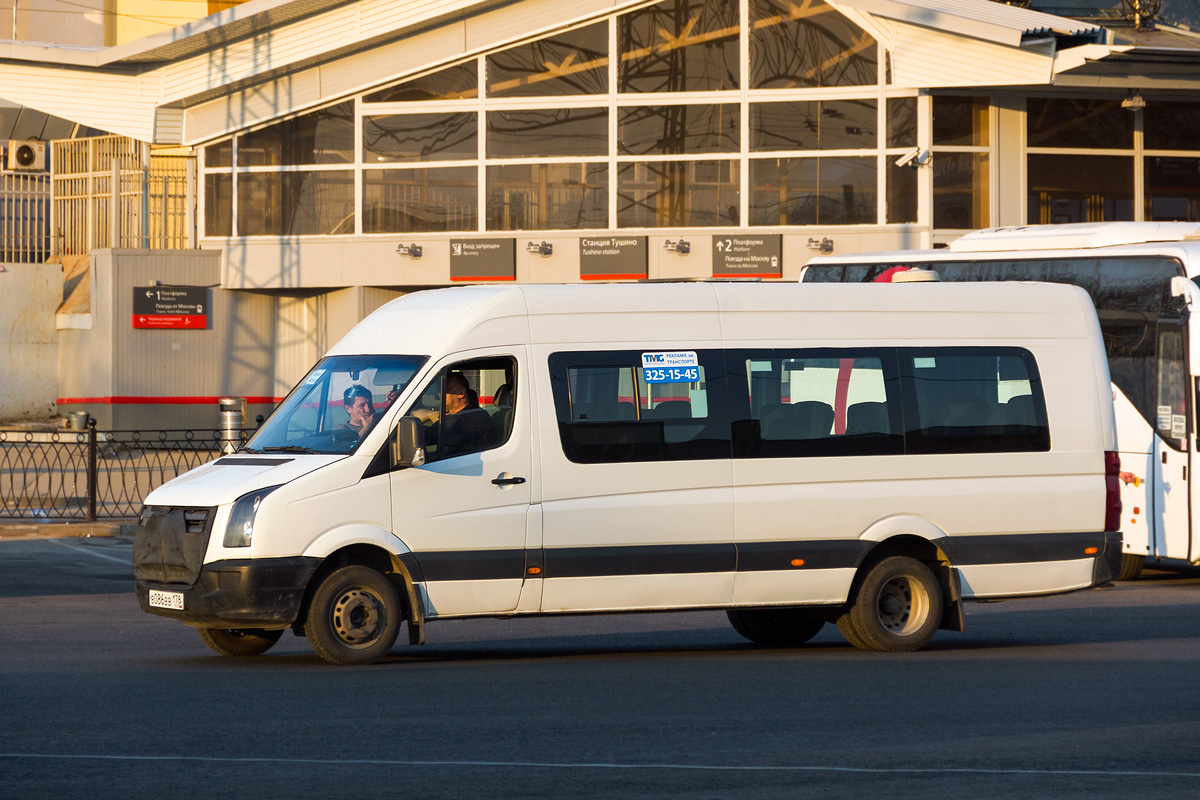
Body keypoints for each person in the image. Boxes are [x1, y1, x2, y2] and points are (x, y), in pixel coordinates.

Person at [413, 372, 493, 455]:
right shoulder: (454, 415)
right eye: (440, 390)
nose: (440, 394)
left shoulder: (474, 417)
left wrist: (410, 426)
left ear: (461, 393)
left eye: (447, 390)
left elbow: (430, 436)